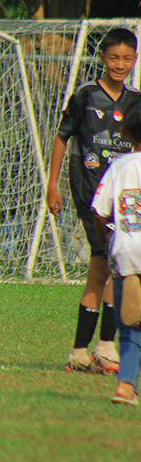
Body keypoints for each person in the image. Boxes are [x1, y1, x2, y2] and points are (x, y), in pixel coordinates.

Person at [47, 28, 141, 372]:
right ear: (102, 58)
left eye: (127, 58)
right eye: (113, 58)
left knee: (107, 269)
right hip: (90, 194)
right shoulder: (86, 96)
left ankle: (87, 350)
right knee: (105, 263)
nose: (120, 64)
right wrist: (52, 185)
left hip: (124, 200)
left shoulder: (135, 101)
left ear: (134, 59)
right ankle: (99, 348)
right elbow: (62, 138)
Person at [92, 103, 141, 405]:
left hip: (126, 253)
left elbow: (99, 212)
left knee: (131, 323)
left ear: (124, 132)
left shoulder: (120, 166)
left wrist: (106, 239)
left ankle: (125, 385)